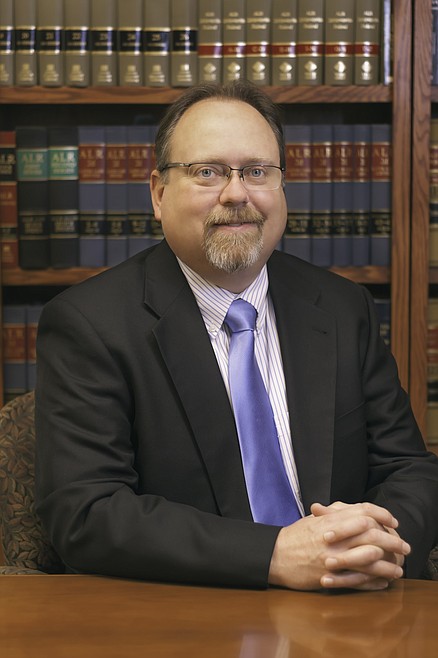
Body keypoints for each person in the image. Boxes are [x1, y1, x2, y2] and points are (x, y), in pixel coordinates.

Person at [35, 81, 438, 591]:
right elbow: (87, 511)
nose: (236, 193)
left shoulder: (340, 307)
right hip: (192, 609)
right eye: (207, 172)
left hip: (348, 599)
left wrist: (374, 548)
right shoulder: (90, 323)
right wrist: (274, 556)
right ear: (158, 193)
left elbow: (409, 468)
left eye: (257, 171)